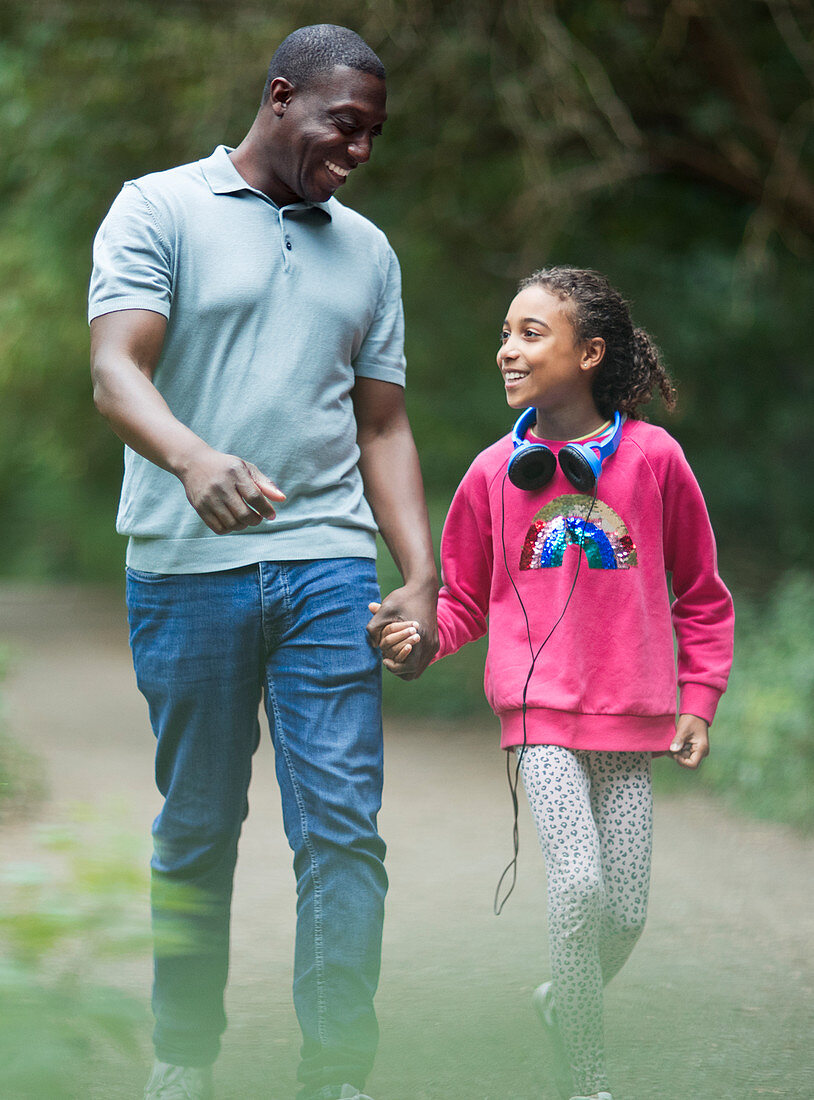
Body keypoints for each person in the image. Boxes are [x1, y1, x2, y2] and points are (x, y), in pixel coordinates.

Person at [88, 24, 438, 1100]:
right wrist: (192, 458)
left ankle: (337, 1072)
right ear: (281, 96)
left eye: (374, 132)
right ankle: (183, 1056)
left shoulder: (366, 251)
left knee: (339, 821)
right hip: (186, 563)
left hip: (328, 560)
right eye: (345, 123)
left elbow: (382, 425)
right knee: (197, 822)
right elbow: (115, 367)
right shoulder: (158, 208)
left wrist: (417, 573)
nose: (360, 150)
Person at [374, 267, 734, 1100]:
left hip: (634, 720)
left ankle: (557, 1002)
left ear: (590, 353)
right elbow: (460, 599)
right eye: (505, 332)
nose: (506, 349)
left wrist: (699, 700)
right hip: (538, 721)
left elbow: (702, 597)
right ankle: (587, 1079)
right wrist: (420, 642)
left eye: (531, 333)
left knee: (626, 914)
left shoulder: (654, 460)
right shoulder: (492, 474)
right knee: (577, 884)